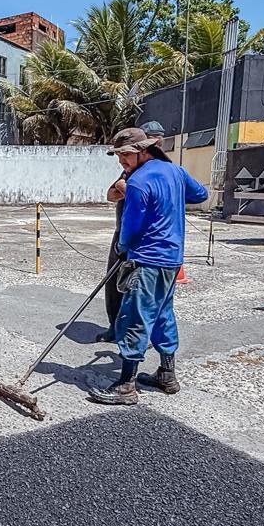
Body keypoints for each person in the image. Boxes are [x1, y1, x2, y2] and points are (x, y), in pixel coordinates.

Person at [88, 126, 207, 406]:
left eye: (125, 156)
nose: (121, 162)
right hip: (171, 259)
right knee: (163, 314)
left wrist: (122, 250)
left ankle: (126, 385)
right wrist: (170, 197)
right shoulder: (175, 172)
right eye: (118, 156)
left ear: (143, 151)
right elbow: (200, 193)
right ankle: (167, 374)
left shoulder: (139, 181)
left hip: (146, 259)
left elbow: (130, 227)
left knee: (134, 316)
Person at [98, 121, 166, 343]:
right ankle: (114, 326)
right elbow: (112, 192)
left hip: (146, 240)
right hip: (122, 233)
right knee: (113, 283)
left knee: (139, 291)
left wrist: (131, 191)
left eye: (159, 139)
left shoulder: (161, 169)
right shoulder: (130, 169)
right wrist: (128, 190)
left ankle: (136, 337)